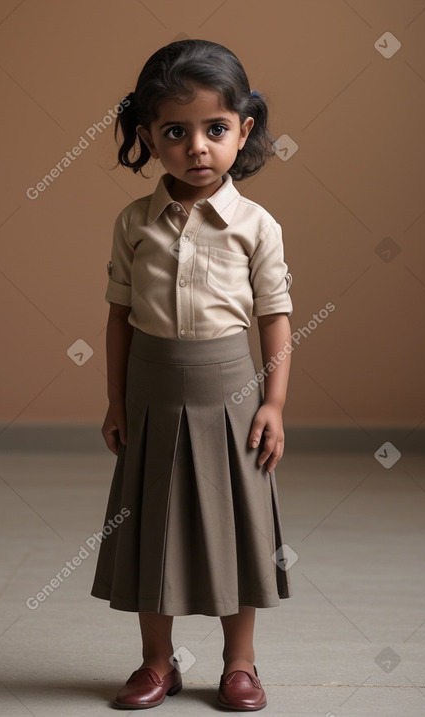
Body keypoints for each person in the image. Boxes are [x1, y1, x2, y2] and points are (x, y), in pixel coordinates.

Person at [91, 38, 294, 712]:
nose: (197, 147)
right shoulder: (133, 224)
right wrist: (116, 400)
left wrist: (274, 405)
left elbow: (274, 320)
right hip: (151, 396)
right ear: (148, 136)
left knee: (237, 531)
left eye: (215, 129)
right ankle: (157, 661)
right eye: (175, 132)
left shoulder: (256, 226)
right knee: (155, 533)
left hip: (233, 397)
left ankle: (240, 663)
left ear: (245, 129)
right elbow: (119, 317)